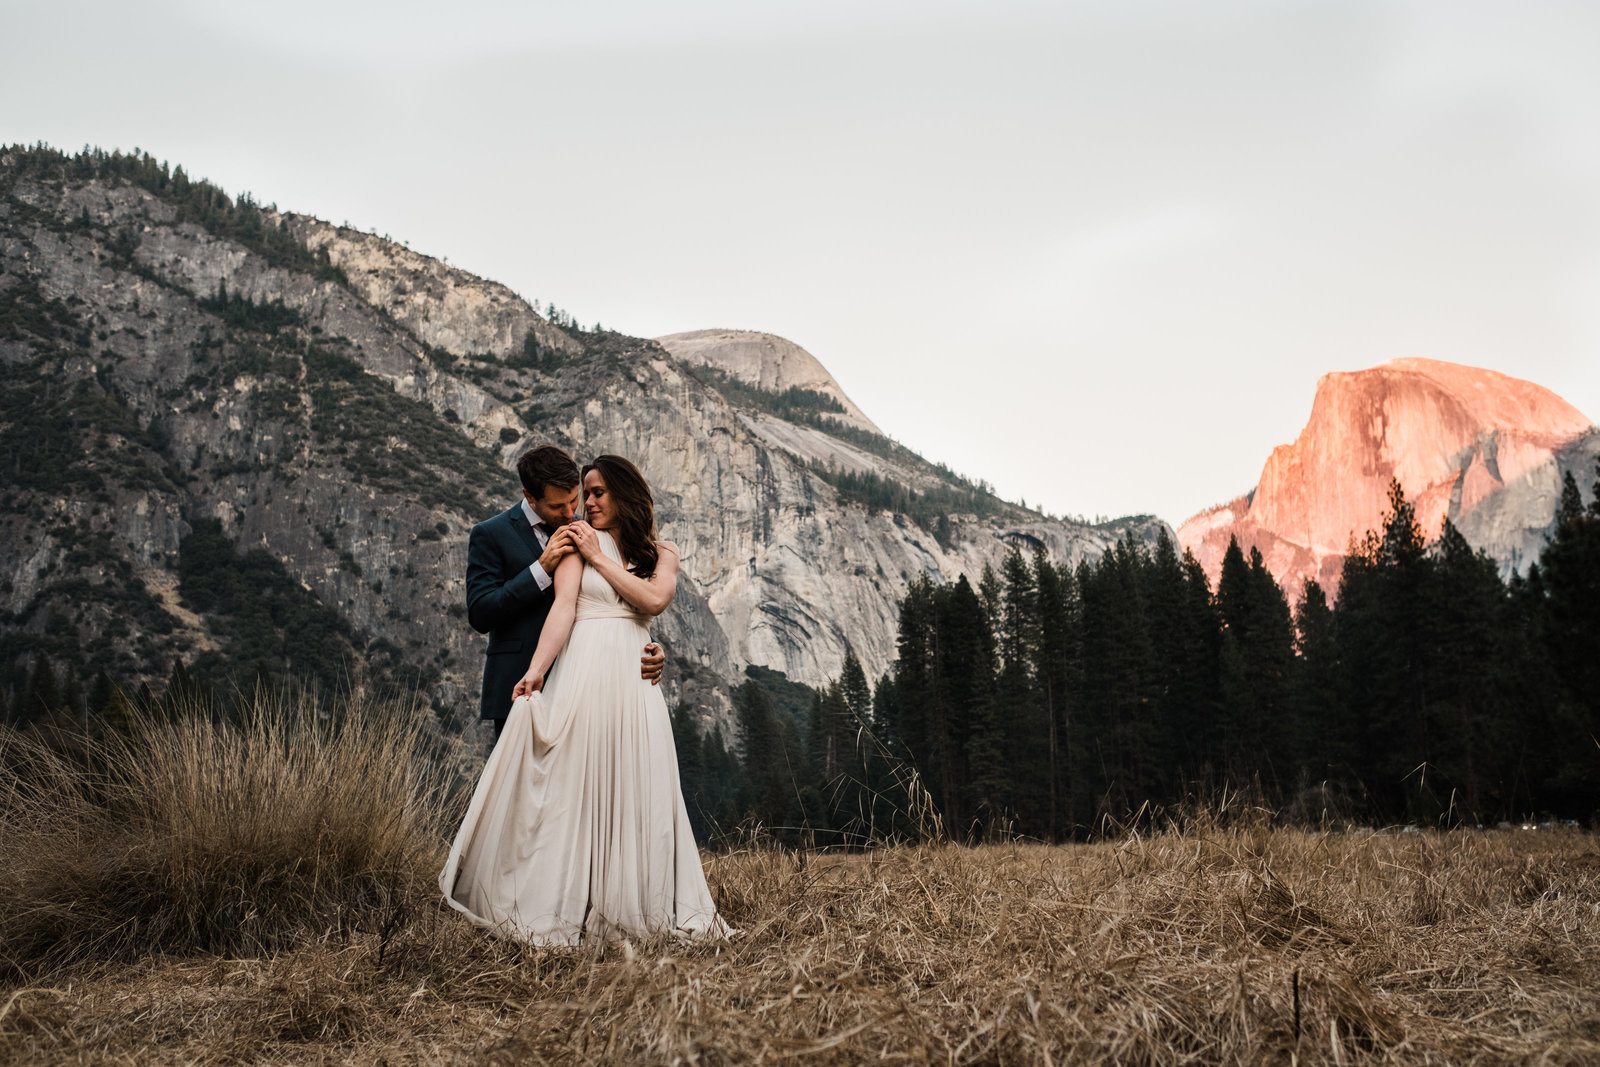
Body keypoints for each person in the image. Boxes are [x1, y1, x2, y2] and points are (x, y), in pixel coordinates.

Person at [440, 454, 730, 945]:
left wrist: (605, 569)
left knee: (639, 787)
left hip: (632, 683)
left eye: (592, 494)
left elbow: (653, 603)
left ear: (624, 494)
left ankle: (639, 902)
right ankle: (536, 900)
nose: (582, 506)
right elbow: (561, 610)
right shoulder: (542, 541)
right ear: (532, 498)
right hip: (576, 679)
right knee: (565, 795)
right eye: (576, 498)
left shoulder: (656, 551)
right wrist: (535, 672)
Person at [465, 444, 664, 744]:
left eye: (574, 500)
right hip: (522, 682)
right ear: (530, 496)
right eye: (559, 507)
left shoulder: (589, 533)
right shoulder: (490, 535)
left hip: (584, 685)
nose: (571, 513)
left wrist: (646, 645)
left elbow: (613, 598)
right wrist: (541, 569)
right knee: (517, 786)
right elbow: (481, 613)